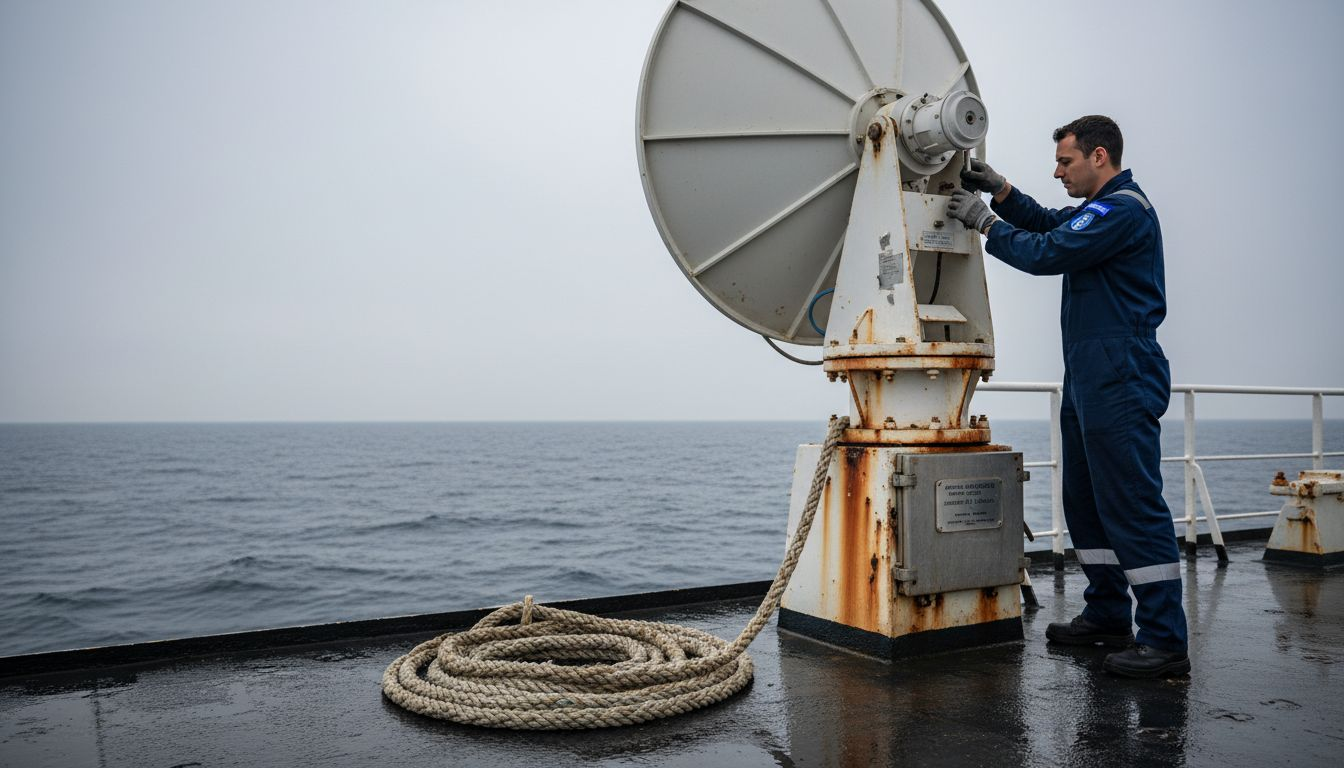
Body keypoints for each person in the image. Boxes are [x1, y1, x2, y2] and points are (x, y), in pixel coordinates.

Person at [945, 115, 1190, 678]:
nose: (1058, 172)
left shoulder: (1124, 209)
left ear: (1099, 156)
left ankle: (1164, 639)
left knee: (1130, 501)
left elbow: (1048, 250)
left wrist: (985, 222)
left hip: (1120, 371)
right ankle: (1107, 615)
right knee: (1086, 500)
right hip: (1089, 372)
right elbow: (1054, 222)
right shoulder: (1100, 210)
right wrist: (1002, 191)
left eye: (1066, 161)